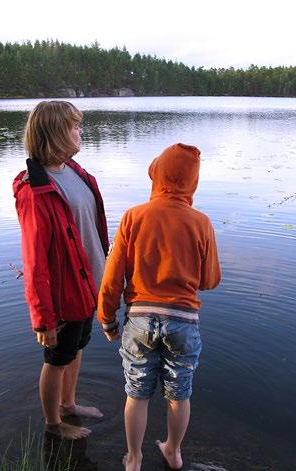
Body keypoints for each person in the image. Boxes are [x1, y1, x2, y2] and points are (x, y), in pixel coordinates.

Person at [97, 143, 221, 470]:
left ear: (158, 174)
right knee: (179, 393)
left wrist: (107, 319)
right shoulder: (201, 223)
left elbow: (112, 279)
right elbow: (209, 281)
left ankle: (134, 459)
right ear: (192, 181)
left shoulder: (133, 217)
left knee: (136, 393)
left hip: (138, 319)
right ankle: (173, 452)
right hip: (183, 322)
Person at [13, 100, 109, 440]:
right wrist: (43, 318)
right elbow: (35, 260)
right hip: (62, 294)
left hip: (87, 286)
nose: (79, 131)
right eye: (73, 126)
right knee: (56, 359)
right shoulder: (34, 191)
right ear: (55, 133)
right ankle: (53, 425)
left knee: (76, 348)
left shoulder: (75, 172)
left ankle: (69, 404)